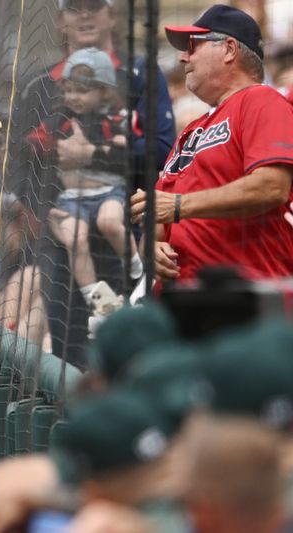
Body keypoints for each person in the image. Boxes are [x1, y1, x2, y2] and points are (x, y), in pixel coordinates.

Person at [17, 0, 176, 366]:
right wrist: (46, 216)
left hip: (126, 232)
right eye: (75, 7)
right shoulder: (40, 85)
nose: (85, 15)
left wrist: (92, 155)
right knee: (69, 355)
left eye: (94, 5)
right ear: (60, 20)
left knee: (129, 354)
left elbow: (163, 153)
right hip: (65, 241)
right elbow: (21, 166)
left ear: (112, 15)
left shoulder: (139, 73)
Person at [131, 4, 293, 284]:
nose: (183, 58)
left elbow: (272, 187)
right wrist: (150, 248)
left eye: (192, 46)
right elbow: (161, 212)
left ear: (229, 49)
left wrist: (181, 205)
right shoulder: (190, 130)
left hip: (246, 296)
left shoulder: (261, 101)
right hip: (184, 300)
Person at [29, 47, 144, 315]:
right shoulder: (59, 119)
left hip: (108, 192)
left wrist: (102, 148)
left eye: (82, 91)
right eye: (68, 90)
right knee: (75, 241)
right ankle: (103, 307)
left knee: (110, 222)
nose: (73, 97)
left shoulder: (116, 118)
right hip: (71, 198)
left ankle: (138, 268)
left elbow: (131, 147)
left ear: (104, 91)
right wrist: (39, 145)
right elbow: (35, 143)